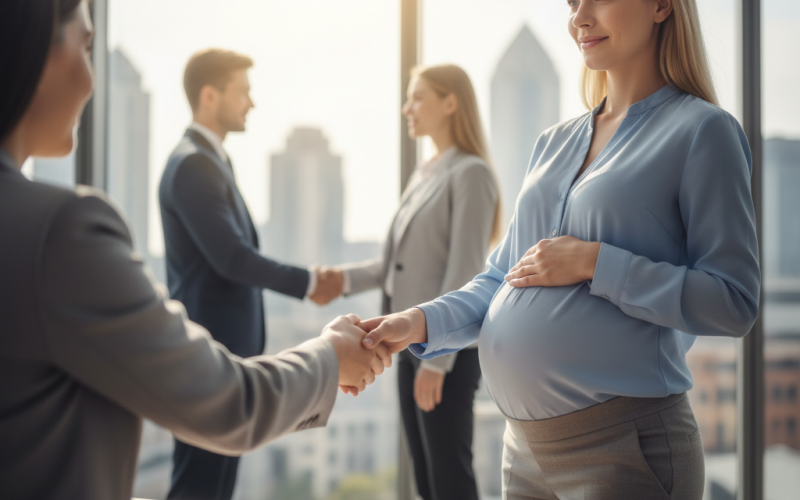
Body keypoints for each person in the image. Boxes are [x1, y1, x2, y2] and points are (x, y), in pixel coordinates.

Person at [358, 1, 760, 499]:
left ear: (661, 6)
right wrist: (415, 322)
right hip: (523, 451)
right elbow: (499, 279)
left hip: (624, 447)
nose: (580, 17)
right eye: (572, 3)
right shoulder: (552, 143)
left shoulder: (702, 131)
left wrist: (597, 263)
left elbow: (733, 302)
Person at [0, 2, 388, 499]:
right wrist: (332, 356)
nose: (90, 81)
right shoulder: (61, 231)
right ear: (33, 52)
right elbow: (232, 401)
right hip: (204, 361)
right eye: (86, 46)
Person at [158, 48, 345, 499]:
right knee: (200, 484)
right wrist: (309, 282)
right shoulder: (193, 165)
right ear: (209, 96)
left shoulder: (210, 159)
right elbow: (233, 258)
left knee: (214, 483)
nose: (251, 103)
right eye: (242, 92)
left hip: (222, 353)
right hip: (209, 353)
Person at [332, 65, 501, 500]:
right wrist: (337, 280)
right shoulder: (426, 172)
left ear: (450, 103)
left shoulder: (471, 173)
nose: (407, 108)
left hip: (443, 349)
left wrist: (436, 363)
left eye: (418, 97)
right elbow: (394, 264)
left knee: (448, 479)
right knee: (427, 481)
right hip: (408, 345)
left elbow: (464, 270)